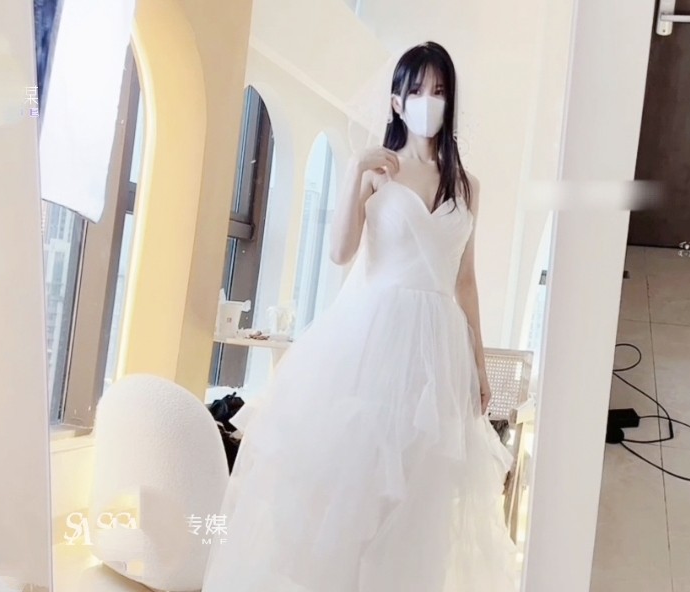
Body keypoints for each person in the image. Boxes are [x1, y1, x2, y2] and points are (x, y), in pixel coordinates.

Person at [201, 41, 520, 591]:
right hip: (374, 337)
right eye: (416, 90)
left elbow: (465, 279)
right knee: (357, 483)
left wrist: (480, 365)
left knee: (421, 493)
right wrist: (354, 171)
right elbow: (340, 251)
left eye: (439, 91)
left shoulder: (467, 186)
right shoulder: (378, 170)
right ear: (396, 101)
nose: (428, 101)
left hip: (439, 351)